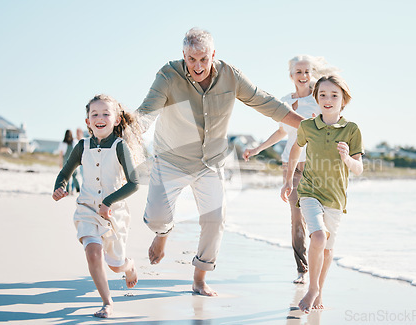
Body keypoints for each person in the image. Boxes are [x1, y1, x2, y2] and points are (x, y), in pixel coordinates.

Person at [136, 27, 304, 296]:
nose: (198, 66)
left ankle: (200, 278)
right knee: (156, 218)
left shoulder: (230, 76)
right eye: (192, 60)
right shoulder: (168, 75)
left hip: (210, 162)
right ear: (183, 56)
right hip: (171, 159)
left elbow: (266, 102)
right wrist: (133, 128)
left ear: (213, 54)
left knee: (215, 219)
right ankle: (164, 232)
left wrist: (307, 127)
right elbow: (148, 110)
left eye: (204, 59)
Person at [243, 55, 338, 284]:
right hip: (292, 167)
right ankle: (302, 269)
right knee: (296, 218)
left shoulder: (319, 98)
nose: (303, 76)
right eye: (298, 72)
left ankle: (321, 263)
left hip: (317, 168)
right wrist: (258, 149)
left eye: (307, 71)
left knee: (320, 220)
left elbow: (332, 126)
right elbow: (281, 132)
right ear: (291, 75)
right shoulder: (284, 101)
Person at [52, 94, 144, 318]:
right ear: (87, 122)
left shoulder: (120, 147)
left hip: (114, 213)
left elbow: (135, 183)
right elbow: (65, 173)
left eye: (105, 113)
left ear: (116, 119)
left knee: (115, 265)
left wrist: (108, 202)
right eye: (94, 114)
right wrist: (59, 187)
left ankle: (129, 266)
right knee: (93, 253)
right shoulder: (82, 146)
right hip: (87, 209)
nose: (99, 118)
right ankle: (107, 302)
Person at [280, 75, 364, 313]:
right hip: (309, 192)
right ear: (316, 98)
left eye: (334, 95)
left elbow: (358, 168)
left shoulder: (351, 130)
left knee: (327, 249)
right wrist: (288, 180)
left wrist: (347, 158)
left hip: (336, 198)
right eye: (323, 95)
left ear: (343, 100)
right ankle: (312, 289)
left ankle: (318, 289)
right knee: (318, 237)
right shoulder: (308, 126)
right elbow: (296, 149)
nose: (328, 99)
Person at [58, 129, 79, 194]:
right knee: (74, 176)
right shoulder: (74, 142)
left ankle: (67, 190)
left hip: (66, 161)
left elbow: (61, 155)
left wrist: (60, 163)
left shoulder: (63, 143)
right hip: (73, 161)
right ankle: (78, 189)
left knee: (67, 176)